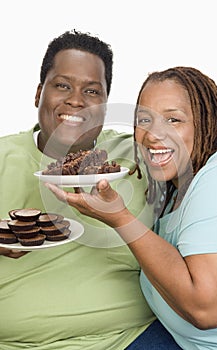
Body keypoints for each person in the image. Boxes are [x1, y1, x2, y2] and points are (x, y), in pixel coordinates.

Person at [47, 66, 217, 349]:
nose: (153, 135)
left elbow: (207, 310)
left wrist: (121, 219)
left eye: (173, 119)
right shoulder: (173, 190)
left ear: (209, 123)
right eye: (143, 120)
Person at [0, 30, 156, 349]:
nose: (76, 100)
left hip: (131, 337)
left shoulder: (138, 155)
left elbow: (205, 143)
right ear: (38, 93)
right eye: (62, 85)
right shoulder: (4, 157)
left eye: (92, 90)